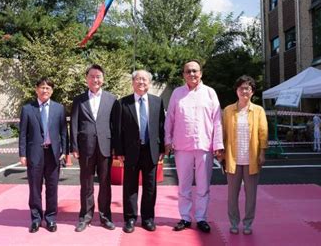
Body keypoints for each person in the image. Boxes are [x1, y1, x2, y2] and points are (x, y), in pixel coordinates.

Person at [164, 60, 224, 233]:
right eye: (188, 71)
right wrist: (168, 141)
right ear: (183, 74)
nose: (191, 74)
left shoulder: (210, 93)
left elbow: (217, 120)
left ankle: (201, 218)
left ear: (201, 73)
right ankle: (184, 217)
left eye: (195, 71)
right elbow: (170, 119)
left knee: (203, 186)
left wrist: (218, 144)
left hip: (205, 146)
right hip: (182, 146)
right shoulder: (177, 93)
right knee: (183, 185)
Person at [113, 70, 165, 233]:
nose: (141, 82)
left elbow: (162, 127)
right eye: (138, 79)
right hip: (130, 152)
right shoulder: (122, 103)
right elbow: (118, 130)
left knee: (150, 187)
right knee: (130, 187)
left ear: (149, 83)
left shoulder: (157, 102)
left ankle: (148, 218)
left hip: (151, 151)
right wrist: (119, 151)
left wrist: (162, 148)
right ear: (133, 82)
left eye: (144, 79)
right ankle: (130, 219)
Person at [70, 64, 117, 232]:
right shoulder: (79, 100)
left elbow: (115, 125)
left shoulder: (112, 99)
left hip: (106, 147)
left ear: (103, 79)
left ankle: (105, 217)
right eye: (92, 76)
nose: (95, 79)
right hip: (85, 148)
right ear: (86, 79)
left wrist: (116, 148)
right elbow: (74, 124)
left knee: (105, 184)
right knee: (86, 184)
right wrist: (74, 146)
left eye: (98, 76)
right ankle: (85, 217)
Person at [19, 77, 67, 233]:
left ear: (52, 91)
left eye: (48, 88)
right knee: (34, 188)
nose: (45, 90)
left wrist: (64, 152)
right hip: (34, 154)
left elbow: (63, 133)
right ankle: (36, 219)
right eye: (42, 87)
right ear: (36, 89)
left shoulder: (59, 108)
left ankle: (51, 219)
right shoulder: (27, 109)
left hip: (53, 154)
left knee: (52, 188)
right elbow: (23, 134)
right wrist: (22, 153)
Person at [223, 75, 268, 235]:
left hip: (252, 159)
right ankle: (234, 223)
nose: (244, 91)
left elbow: (263, 133)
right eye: (241, 88)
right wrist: (221, 154)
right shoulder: (228, 110)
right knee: (232, 195)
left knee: (251, 195)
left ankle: (248, 223)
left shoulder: (258, 110)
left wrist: (262, 152)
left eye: (247, 88)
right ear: (236, 91)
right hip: (232, 159)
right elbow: (223, 133)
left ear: (252, 92)